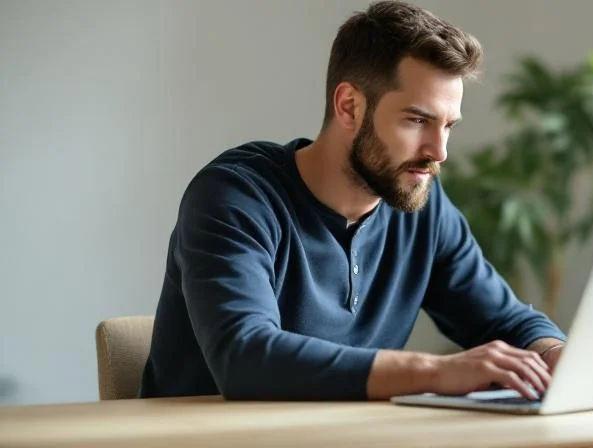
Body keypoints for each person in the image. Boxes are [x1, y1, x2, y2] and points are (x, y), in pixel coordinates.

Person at [139, 0, 566, 402]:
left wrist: (554, 356)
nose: (439, 152)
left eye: (448, 125)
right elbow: (245, 357)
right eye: (418, 120)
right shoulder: (235, 198)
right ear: (349, 106)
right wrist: (434, 372)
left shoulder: (420, 205)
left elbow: (506, 320)